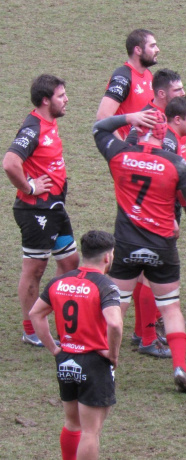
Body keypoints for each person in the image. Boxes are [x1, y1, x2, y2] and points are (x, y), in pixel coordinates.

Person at [92, 110, 186, 393]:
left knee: (115, 308)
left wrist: (127, 118)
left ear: (138, 131)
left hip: (126, 246)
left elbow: (99, 129)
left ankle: (105, 367)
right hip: (162, 247)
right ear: (165, 135)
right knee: (171, 308)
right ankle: (180, 367)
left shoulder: (120, 154)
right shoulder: (176, 164)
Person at [29, 230, 124, 460]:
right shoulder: (105, 286)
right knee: (91, 431)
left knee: (72, 424)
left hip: (66, 359)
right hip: (93, 362)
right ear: (107, 258)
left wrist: (54, 348)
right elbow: (114, 323)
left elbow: (35, 314)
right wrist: (112, 355)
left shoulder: (59, 281)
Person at [3, 74, 79, 347]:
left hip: (55, 209)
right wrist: (30, 187)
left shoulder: (49, 123)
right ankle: (31, 328)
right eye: (61, 96)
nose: (66, 99)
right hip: (36, 211)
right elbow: (10, 163)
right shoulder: (32, 129)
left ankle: (51, 315)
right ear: (46, 100)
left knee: (70, 264)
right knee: (34, 270)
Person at [122, 70, 186, 358]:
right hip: (155, 208)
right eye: (178, 90)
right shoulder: (152, 123)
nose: (182, 95)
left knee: (141, 273)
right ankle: (148, 336)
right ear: (161, 94)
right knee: (148, 273)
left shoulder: (168, 120)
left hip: (152, 205)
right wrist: (170, 212)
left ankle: (142, 331)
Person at [96, 29, 159, 139]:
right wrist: (121, 148)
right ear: (138, 50)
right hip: (128, 150)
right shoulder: (123, 77)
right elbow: (103, 116)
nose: (157, 50)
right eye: (152, 46)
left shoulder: (148, 74)